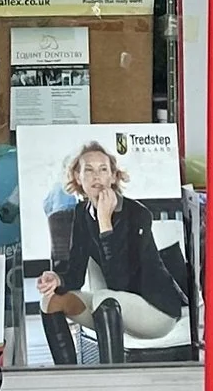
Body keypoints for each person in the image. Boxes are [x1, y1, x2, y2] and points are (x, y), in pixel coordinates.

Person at [35, 138, 192, 363]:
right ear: (78, 177)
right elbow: (76, 277)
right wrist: (57, 279)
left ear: (113, 176)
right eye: (88, 170)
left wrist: (105, 223)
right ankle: (68, 376)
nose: (96, 176)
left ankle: (111, 378)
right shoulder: (81, 213)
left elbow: (121, 283)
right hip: (111, 308)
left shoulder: (137, 214)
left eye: (103, 169)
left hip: (155, 311)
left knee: (104, 298)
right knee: (50, 301)